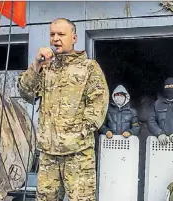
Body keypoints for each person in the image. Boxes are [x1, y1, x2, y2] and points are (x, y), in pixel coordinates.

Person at [17, 18, 109, 201]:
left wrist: (79, 133)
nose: (56, 39)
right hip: (49, 155)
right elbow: (26, 92)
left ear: (73, 37)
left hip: (78, 155)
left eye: (61, 34)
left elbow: (98, 105)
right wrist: (36, 65)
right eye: (52, 34)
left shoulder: (88, 68)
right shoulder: (46, 68)